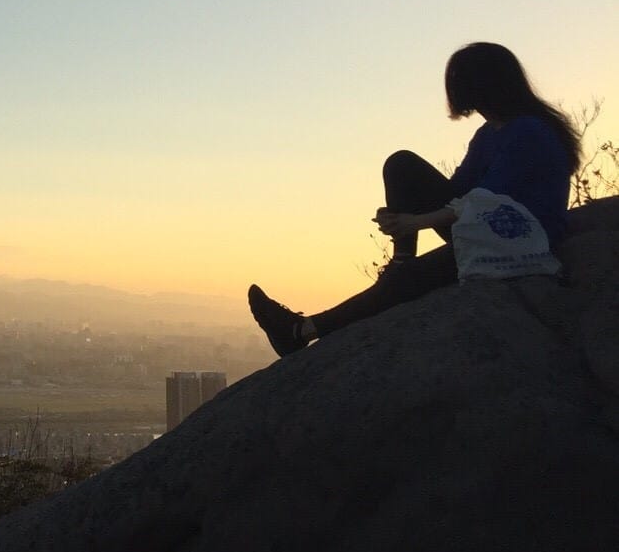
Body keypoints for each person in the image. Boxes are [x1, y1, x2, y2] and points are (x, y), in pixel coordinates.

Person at [248, 42, 581, 357]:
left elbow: (485, 199)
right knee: (402, 165)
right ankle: (402, 259)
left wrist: (418, 221)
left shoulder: (529, 131)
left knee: (408, 282)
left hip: (521, 239)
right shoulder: (489, 133)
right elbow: (461, 189)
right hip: (485, 229)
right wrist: (400, 214)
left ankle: (299, 332)